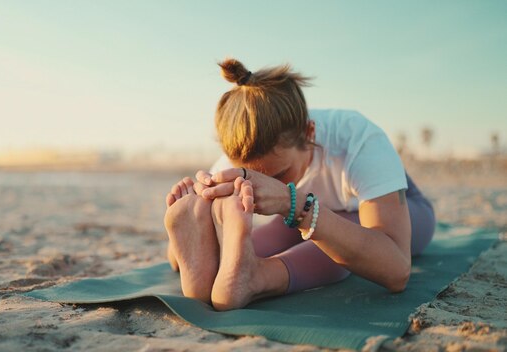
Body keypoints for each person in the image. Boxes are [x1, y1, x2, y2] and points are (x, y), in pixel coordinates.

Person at [163, 58, 435, 311]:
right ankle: (216, 273)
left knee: (341, 229)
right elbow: (184, 245)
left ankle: (260, 277)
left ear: (309, 133)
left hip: (397, 217)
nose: (263, 186)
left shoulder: (358, 138)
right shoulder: (242, 153)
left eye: (278, 174)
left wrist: (289, 202)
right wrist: (193, 226)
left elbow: (397, 270)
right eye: (251, 176)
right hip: (303, 217)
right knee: (272, 233)